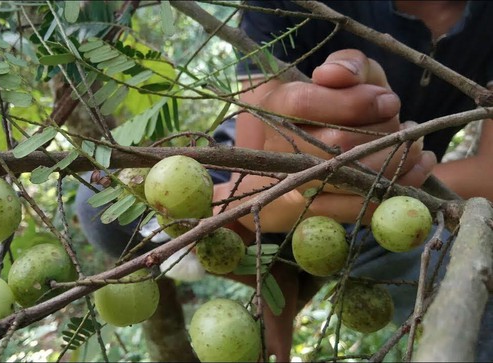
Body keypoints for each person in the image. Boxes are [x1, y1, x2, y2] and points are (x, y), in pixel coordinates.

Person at [75, 0, 493, 361]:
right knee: (100, 206)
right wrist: (274, 222)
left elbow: (488, 173)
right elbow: (251, 166)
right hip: (254, 172)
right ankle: (277, 270)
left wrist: (377, 181)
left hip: (402, 198)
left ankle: (291, 262)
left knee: (482, 322)